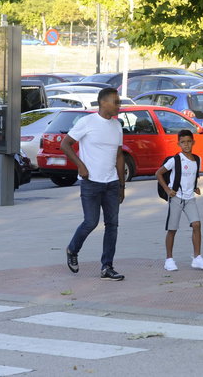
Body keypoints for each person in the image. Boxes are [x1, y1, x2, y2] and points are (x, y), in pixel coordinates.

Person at [61, 87, 126, 281]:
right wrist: (80, 165)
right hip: (91, 182)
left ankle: (107, 267)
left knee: (112, 225)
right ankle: (72, 249)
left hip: (112, 183)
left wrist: (122, 185)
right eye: (116, 102)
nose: (119, 105)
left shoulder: (117, 126)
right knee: (91, 222)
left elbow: (119, 155)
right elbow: (65, 144)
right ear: (103, 102)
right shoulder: (87, 122)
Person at [155, 130, 203, 271]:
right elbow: (158, 173)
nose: (186, 144)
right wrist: (168, 190)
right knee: (172, 229)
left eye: (189, 141)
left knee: (197, 224)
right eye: (183, 142)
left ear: (193, 142)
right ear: (178, 143)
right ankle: (169, 259)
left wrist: (195, 187)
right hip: (176, 198)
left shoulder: (197, 159)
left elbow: (192, 176)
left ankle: (197, 258)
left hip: (190, 198)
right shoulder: (175, 160)